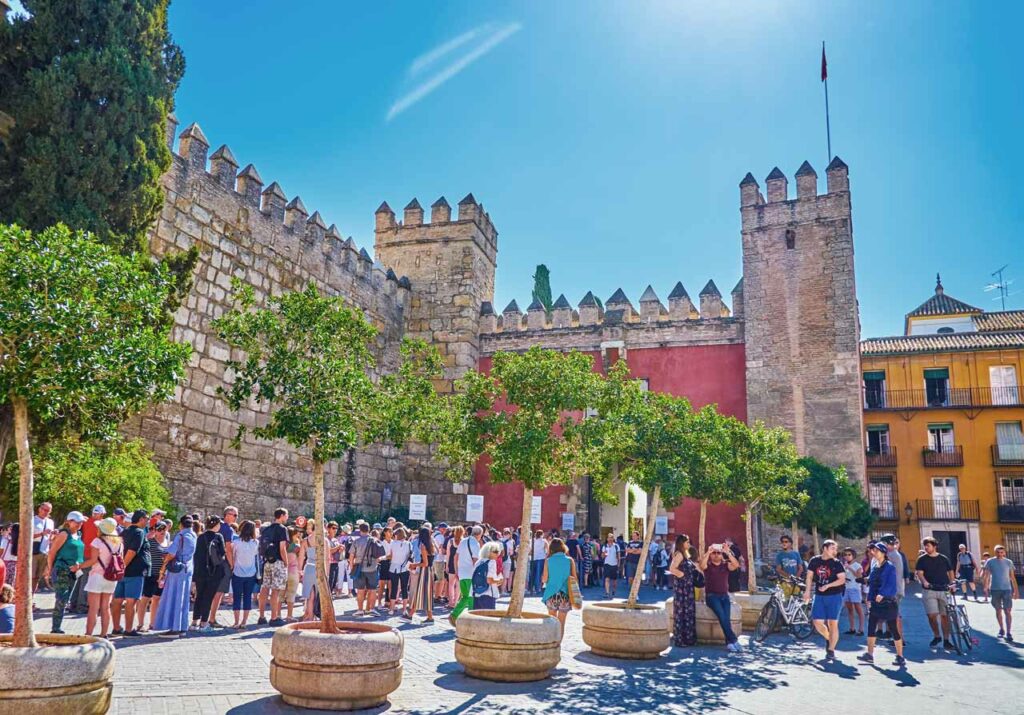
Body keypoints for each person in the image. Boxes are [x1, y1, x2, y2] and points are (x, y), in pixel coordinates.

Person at [858, 542, 905, 666]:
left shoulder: (890, 567)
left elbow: (891, 584)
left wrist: (883, 594)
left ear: (883, 553)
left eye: (877, 551)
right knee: (871, 627)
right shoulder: (875, 566)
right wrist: (869, 595)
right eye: (873, 551)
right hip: (876, 603)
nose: (874, 553)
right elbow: (872, 582)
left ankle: (900, 656)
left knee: (893, 629)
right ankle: (869, 655)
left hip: (888, 603)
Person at [77, 517, 123, 638]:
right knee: (106, 607)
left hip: (97, 576)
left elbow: (93, 560)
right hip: (111, 577)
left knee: (93, 608)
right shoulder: (119, 543)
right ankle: (104, 634)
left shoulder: (97, 542)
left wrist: (79, 566)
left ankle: (88, 634)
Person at [153, 515, 197, 638]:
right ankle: (182, 626)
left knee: (173, 597)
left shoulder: (181, 535)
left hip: (176, 570)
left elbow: (171, 553)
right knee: (183, 599)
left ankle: (173, 628)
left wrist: (163, 567)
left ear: (181, 524)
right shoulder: (193, 535)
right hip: (187, 569)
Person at [111, 509, 151, 636]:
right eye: (147, 519)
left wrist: (119, 568)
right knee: (131, 601)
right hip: (133, 571)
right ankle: (128, 629)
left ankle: (116, 628)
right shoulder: (139, 532)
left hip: (122, 572)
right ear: (141, 519)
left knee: (117, 600)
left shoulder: (124, 531)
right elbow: (132, 551)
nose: (148, 522)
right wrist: (123, 566)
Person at [804, 539, 845, 661]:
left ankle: (831, 650)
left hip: (834, 595)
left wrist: (828, 585)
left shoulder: (837, 563)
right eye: (833, 548)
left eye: (836, 549)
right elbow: (809, 576)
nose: (835, 551)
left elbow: (842, 579)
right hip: (819, 595)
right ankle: (828, 638)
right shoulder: (815, 561)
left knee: (832, 623)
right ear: (825, 548)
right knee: (817, 622)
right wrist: (807, 591)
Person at [46, 510, 85, 633]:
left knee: (66, 599)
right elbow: (52, 552)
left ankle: (58, 626)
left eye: (81, 522)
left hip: (74, 571)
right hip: (62, 569)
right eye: (77, 522)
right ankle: (55, 627)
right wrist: (50, 569)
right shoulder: (64, 534)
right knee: (61, 599)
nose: (79, 524)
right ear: (69, 521)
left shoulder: (78, 534)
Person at [914, 536, 956, 649]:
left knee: (945, 616)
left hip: (944, 589)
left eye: (928, 546)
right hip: (929, 590)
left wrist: (952, 583)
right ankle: (937, 636)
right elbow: (920, 573)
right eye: (925, 546)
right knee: (932, 615)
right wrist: (925, 582)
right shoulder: (922, 559)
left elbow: (950, 571)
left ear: (934, 546)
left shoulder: (943, 558)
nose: (926, 548)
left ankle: (946, 640)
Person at [699, 543, 741, 652]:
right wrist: (708, 552)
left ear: (721, 555)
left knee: (726, 619)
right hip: (712, 597)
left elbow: (736, 565)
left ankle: (729, 643)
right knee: (722, 616)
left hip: (724, 596)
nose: (716, 555)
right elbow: (702, 566)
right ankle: (734, 640)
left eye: (718, 553)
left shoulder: (725, 565)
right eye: (714, 553)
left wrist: (727, 552)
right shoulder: (708, 566)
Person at [192, 515, 228, 632]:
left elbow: (196, 556)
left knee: (199, 597)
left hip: (200, 572)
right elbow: (222, 554)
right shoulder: (218, 537)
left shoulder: (200, 537)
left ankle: (194, 622)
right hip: (214, 572)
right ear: (216, 524)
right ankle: (204, 623)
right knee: (208, 598)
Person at [257, 508, 290, 626]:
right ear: (281, 515)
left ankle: (261, 617)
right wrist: (286, 562)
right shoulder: (282, 529)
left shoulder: (266, 529)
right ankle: (274, 617)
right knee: (275, 590)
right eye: (286, 515)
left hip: (267, 562)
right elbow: (282, 548)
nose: (287, 517)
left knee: (264, 588)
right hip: (278, 562)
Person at [541, 537, 577, 640]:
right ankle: (558, 644)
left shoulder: (548, 561)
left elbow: (544, 579)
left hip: (551, 593)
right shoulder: (570, 560)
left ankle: (551, 641)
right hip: (565, 594)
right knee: (562, 622)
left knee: (552, 621)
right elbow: (574, 578)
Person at [138, 519, 171, 632]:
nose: (162, 531)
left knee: (157, 598)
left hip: (162, 576)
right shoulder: (150, 542)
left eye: (164, 529)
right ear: (155, 531)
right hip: (151, 574)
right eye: (159, 529)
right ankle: (140, 624)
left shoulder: (167, 542)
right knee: (145, 599)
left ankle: (153, 623)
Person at [209, 505, 239, 622]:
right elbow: (228, 548)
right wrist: (232, 564)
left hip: (210, 562)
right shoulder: (228, 529)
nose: (236, 517)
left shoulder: (215, 526)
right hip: (222, 563)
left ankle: (203, 618)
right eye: (234, 515)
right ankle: (212, 619)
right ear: (227, 515)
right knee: (219, 592)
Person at [668, 534, 699, 647]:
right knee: (682, 612)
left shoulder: (685, 554)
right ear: (682, 543)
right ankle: (680, 639)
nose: (689, 544)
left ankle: (688, 639)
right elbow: (672, 569)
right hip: (682, 588)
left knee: (688, 612)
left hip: (687, 587)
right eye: (687, 542)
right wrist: (683, 575)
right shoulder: (679, 554)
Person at [982, 544, 1019, 641]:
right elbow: (987, 575)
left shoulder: (1008, 562)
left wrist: (1016, 591)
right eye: (997, 552)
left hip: (1007, 589)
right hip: (995, 589)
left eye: (1001, 552)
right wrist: (985, 586)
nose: (1000, 554)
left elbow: (1012, 577)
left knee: (1007, 611)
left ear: (1004, 553)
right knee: (998, 610)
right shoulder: (990, 562)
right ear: (995, 553)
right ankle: (1001, 629)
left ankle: (1008, 632)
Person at [350, 522, 385, 616]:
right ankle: (372, 609)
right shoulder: (374, 540)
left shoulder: (356, 541)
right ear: (369, 529)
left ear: (360, 530)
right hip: (372, 568)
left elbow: (351, 555)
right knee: (373, 589)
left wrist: (351, 567)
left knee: (360, 590)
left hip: (359, 568)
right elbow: (379, 555)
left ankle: (360, 610)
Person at [230, 520, 260, 628]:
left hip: (237, 572)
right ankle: (244, 622)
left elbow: (233, 556)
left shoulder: (236, 542)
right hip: (251, 573)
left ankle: (236, 622)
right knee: (248, 597)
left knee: (237, 597)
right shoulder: (256, 543)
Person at [450, 525, 483, 623]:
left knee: (465, 596)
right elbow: (475, 560)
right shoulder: (475, 544)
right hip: (470, 574)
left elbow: (455, 557)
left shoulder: (463, 541)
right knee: (471, 597)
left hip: (462, 573)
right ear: (480, 534)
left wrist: (456, 571)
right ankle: (466, 617)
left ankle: (459, 615)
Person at [407, 524, 436, 622]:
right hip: (430, 571)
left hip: (425, 571)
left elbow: (425, 563)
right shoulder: (431, 544)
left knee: (419, 592)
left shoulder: (423, 546)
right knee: (427, 594)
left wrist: (414, 565)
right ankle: (430, 617)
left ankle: (410, 614)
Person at [31, 502, 55, 593]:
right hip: (33, 552)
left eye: (48, 511)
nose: (45, 512)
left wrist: (53, 535)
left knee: (37, 578)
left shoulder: (50, 522)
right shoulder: (32, 520)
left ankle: (31, 598)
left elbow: (50, 538)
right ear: (39, 509)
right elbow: (26, 537)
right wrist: (41, 533)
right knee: (30, 576)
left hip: (45, 552)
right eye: (44, 510)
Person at [472, 541, 504, 610]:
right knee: (489, 618)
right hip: (488, 594)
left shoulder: (478, 562)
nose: (498, 553)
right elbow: (489, 580)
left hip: (477, 593)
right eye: (495, 551)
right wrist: (499, 580)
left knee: (478, 618)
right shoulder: (491, 562)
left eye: (498, 551)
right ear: (488, 552)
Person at [388, 527, 412, 615]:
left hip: (394, 567)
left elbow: (390, 555)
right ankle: (404, 609)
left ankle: (391, 608)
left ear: (397, 535)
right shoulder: (409, 544)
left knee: (394, 588)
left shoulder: (393, 543)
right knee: (404, 588)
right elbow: (410, 556)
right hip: (405, 568)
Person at [841, 548, 864, 636]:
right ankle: (852, 628)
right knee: (850, 609)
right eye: (845, 555)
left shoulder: (857, 565)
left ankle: (861, 629)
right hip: (846, 588)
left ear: (853, 555)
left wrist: (849, 568)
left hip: (855, 589)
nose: (847, 556)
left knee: (858, 609)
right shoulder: (844, 565)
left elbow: (858, 576)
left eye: (849, 554)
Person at [300, 521, 319, 620]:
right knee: (318, 595)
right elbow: (327, 558)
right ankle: (315, 616)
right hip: (319, 568)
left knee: (309, 595)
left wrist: (300, 570)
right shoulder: (323, 540)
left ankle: (310, 617)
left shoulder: (305, 541)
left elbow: (301, 557)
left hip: (309, 567)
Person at [446, 525, 464, 606]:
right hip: (461, 564)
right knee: (458, 585)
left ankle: (451, 602)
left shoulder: (450, 541)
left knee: (451, 584)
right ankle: (456, 602)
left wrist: (446, 566)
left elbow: (448, 555)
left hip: (451, 564)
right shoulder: (464, 542)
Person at [601, 532, 620, 598]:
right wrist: (604, 553)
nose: (610, 539)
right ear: (607, 539)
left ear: (613, 538)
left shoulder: (616, 546)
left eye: (611, 537)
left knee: (614, 580)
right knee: (607, 579)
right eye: (609, 537)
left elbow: (618, 556)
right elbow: (602, 556)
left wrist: (619, 564)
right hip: (607, 564)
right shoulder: (605, 546)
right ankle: (607, 592)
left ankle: (614, 591)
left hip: (614, 564)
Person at [530, 529, 547, 595]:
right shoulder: (544, 541)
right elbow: (547, 550)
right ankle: (538, 588)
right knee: (539, 574)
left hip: (533, 558)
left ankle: (532, 588)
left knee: (532, 574)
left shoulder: (532, 540)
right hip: (541, 558)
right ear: (542, 534)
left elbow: (530, 550)